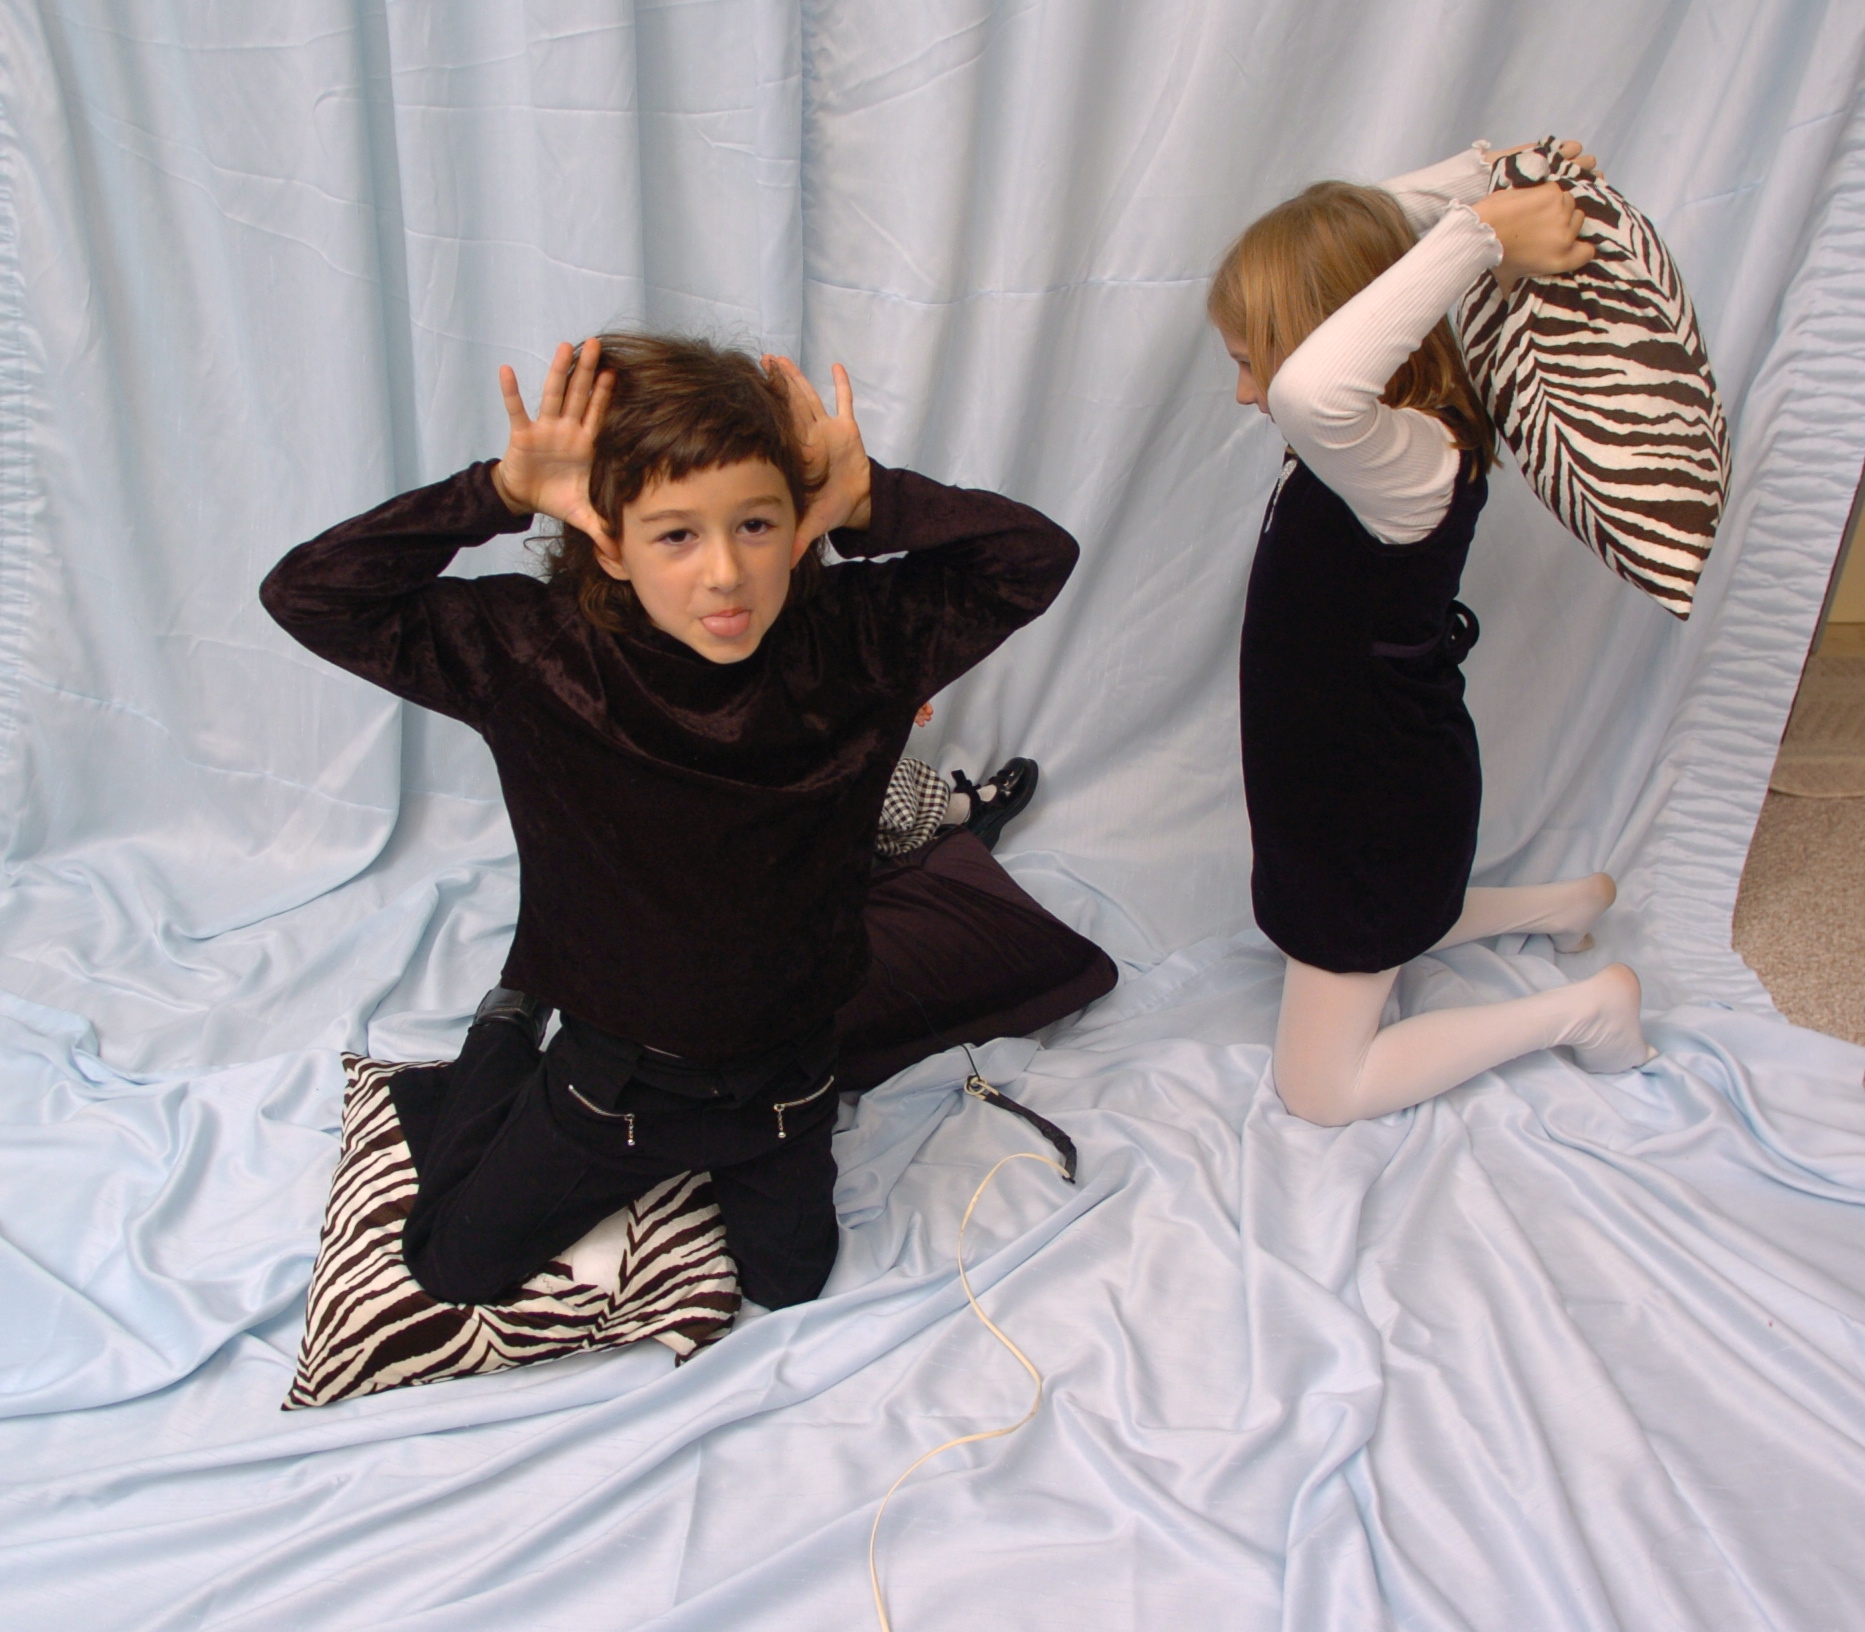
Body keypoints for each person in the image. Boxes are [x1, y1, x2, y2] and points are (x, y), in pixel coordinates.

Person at [261, 332, 1110, 1312]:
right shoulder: (536, 655)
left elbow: (1034, 558)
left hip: (787, 1082)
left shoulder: (859, 638)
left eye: (755, 525)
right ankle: (504, 1023)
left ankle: (943, 832)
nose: (724, 574)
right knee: (449, 1264)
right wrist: (497, 492)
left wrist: (871, 495)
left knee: (791, 1288)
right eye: (676, 536)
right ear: (608, 542)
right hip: (612, 1088)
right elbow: (308, 593)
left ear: (798, 521)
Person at [1205, 143, 1652, 1128]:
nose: (1244, 392)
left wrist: (1482, 233)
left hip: (1374, 804)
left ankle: (1587, 1008)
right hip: (1348, 783)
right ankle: (1566, 904)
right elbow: (1357, 232)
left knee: (1320, 1091)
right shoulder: (1371, 429)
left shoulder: (1398, 453)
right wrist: (1488, 178)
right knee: (1384, 914)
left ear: (1322, 338)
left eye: (1248, 360)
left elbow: (1308, 388)